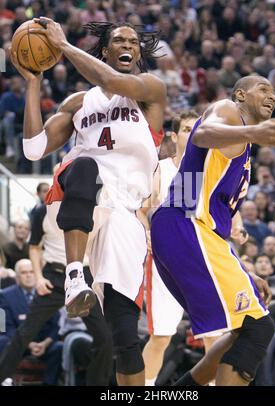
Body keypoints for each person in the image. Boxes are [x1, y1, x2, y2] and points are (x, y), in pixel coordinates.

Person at [10, 19, 166, 386]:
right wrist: (33, 82)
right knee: (84, 165)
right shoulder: (78, 102)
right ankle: (74, 276)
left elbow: (112, 82)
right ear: (105, 50)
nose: (128, 44)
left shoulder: (150, 90)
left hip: (124, 212)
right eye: (119, 40)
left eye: (133, 41)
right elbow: (33, 149)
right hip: (78, 198)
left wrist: (62, 46)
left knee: (123, 335)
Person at [151, 76, 275, 386]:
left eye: (273, 91)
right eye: (263, 89)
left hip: (189, 231)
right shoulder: (228, 111)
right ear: (240, 94)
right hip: (184, 224)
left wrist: (240, 268)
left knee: (245, 329)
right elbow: (203, 135)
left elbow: (215, 219)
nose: (271, 95)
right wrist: (254, 130)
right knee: (258, 328)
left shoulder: (244, 141)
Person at [0, 200, 112, 386]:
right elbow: (34, 246)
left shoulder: (96, 208)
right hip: (53, 276)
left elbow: (102, 247)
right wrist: (38, 278)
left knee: (104, 338)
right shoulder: (43, 210)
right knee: (24, 333)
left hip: (83, 276)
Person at [141, 111, 198, 386]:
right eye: (187, 129)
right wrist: (148, 232)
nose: (193, 134)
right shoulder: (160, 169)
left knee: (215, 333)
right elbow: (141, 210)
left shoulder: (204, 171)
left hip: (197, 260)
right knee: (161, 336)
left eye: (197, 129)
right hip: (164, 261)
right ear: (174, 136)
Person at [0, 259, 63, 386]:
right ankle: (6, 379)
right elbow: (7, 327)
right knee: (3, 340)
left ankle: (49, 383)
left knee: (59, 347)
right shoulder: (5, 296)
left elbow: (56, 324)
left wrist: (45, 343)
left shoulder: (49, 292)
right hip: (18, 343)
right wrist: (28, 344)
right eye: (24, 273)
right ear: (17, 277)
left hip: (43, 344)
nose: (28, 275)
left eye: (32, 272)